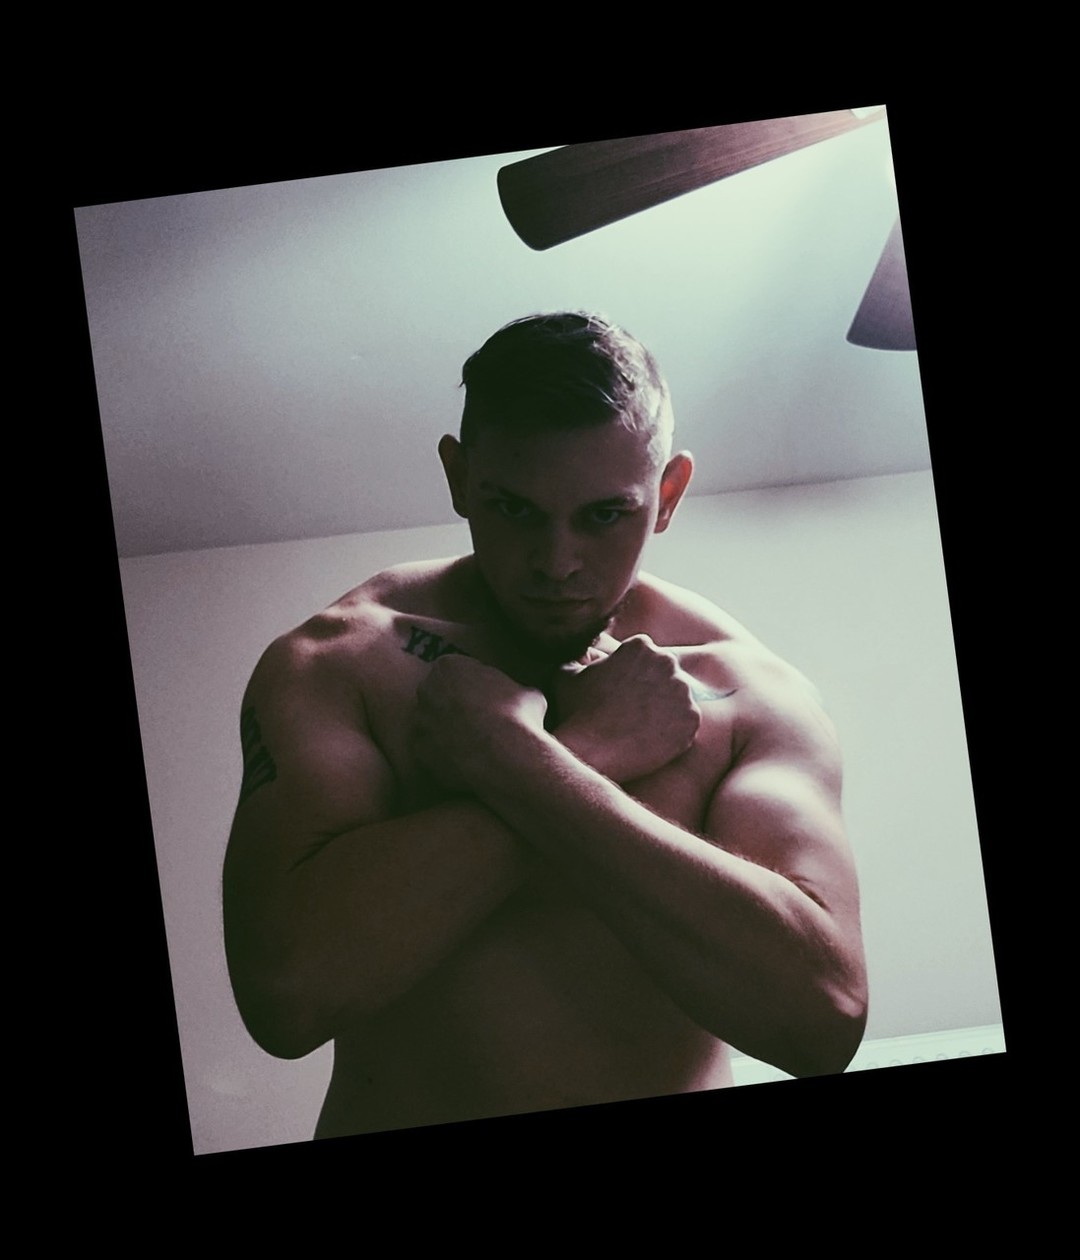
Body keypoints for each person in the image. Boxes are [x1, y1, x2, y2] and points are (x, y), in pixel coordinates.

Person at [223, 311, 868, 1138]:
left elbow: (822, 1018)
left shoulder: (744, 693)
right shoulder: (341, 663)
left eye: (604, 515)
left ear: (667, 494)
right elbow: (287, 996)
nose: (557, 564)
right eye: (515, 509)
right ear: (460, 478)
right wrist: (587, 749)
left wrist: (518, 761)